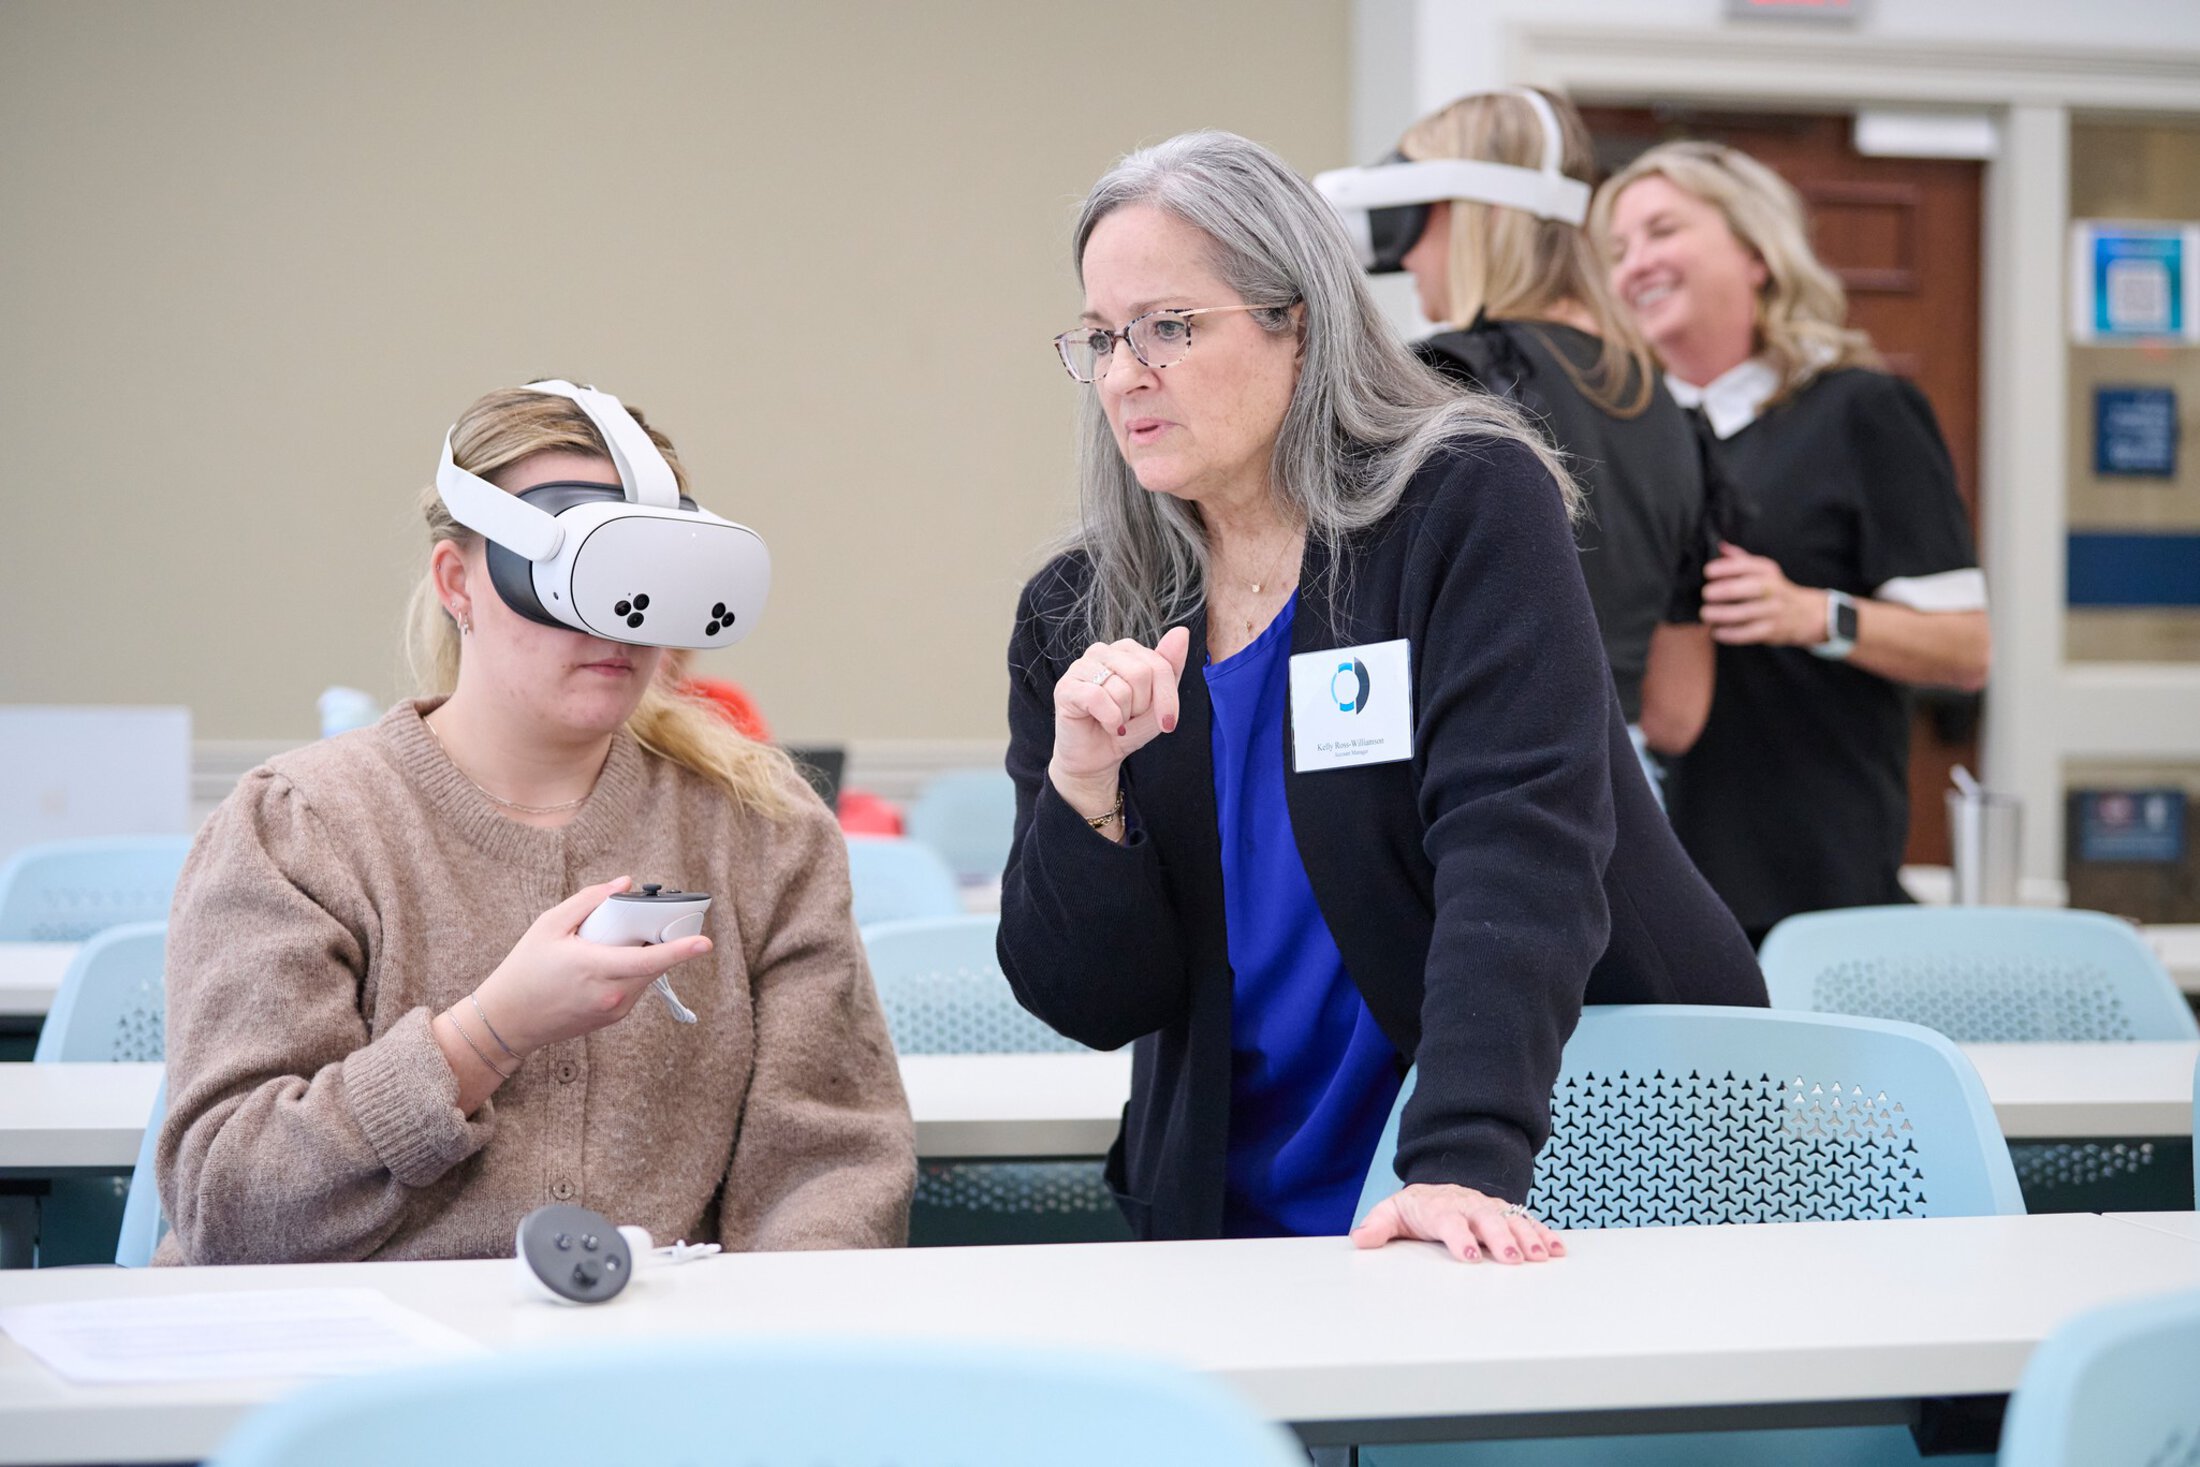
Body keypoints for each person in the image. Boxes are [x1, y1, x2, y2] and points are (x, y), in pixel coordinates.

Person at [998, 131, 1766, 1265]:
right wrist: (1083, 787)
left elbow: (1519, 842)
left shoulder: (1460, 504)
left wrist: (1459, 1155)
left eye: (1167, 326)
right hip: (1237, 1208)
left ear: (1295, 321)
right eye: (1103, 337)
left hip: (1543, 1151)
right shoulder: (1081, 606)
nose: (1123, 374)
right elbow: (1091, 1000)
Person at [155, 383, 914, 1264]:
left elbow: (830, 1168)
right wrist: (485, 1034)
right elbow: (229, 1205)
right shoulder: (297, 829)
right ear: (456, 582)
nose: (613, 623)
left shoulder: (763, 833)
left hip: (658, 1368)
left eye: (641, 580)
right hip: (360, 1369)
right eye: (568, 576)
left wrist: (758, 1357)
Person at [1596, 143, 1991, 945]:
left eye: (1662, 230)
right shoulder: (1621, 438)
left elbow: (1965, 651)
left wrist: (1815, 614)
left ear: (1756, 253)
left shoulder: (1863, 413)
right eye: (1616, 251)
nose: (1635, 265)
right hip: (1642, 889)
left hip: (1811, 890)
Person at [1389, 88, 1721, 776]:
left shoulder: (1449, 383)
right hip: (1626, 804)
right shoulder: (1667, 406)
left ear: (1466, 214)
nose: (1405, 254)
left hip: (1480, 792)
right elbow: (1677, 714)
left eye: (1408, 217)